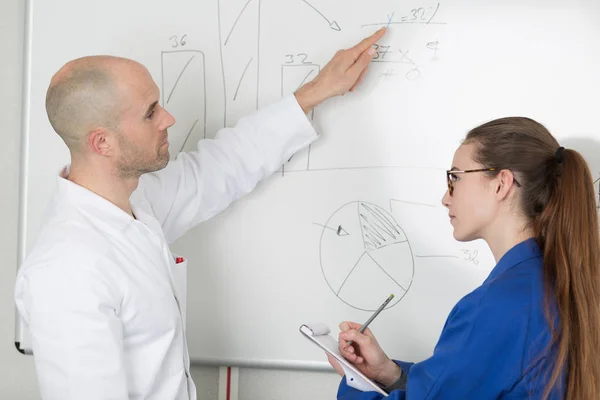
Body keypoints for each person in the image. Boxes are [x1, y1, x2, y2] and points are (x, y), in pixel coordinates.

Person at [14, 28, 387, 400]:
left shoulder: (136, 205)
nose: (168, 118)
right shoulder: (67, 269)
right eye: (150, 112)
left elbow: (217, 169)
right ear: (102, 142)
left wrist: (316, 91)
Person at [328, 117, 600, 399]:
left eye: (455, 177)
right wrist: (387, 373)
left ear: (501, 184)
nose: (446, 197)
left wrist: (355, 383)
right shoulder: (551, 282)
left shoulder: (497, 306)